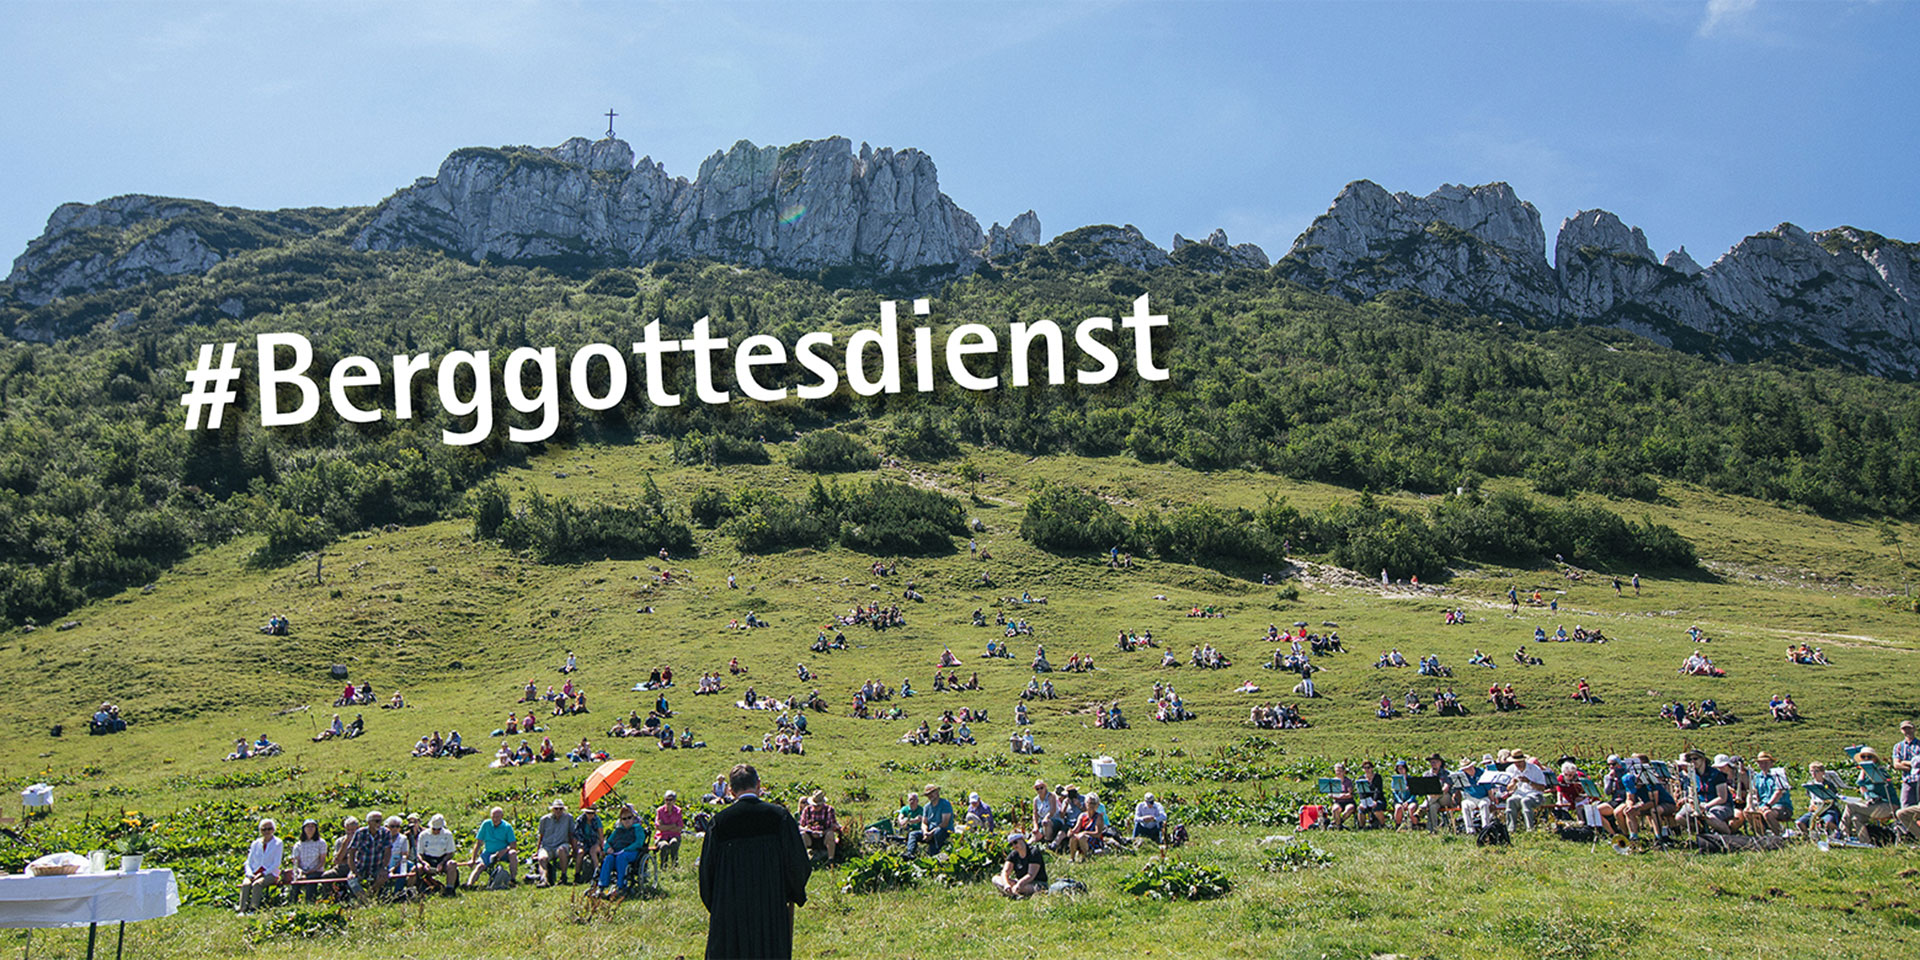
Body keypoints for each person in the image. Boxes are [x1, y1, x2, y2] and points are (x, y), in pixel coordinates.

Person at [698, 764, 811, 960]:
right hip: (770, 907)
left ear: (731, 791)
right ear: (759, 784)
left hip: (730, 911)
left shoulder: (720, 822)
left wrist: (717, 907)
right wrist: (793, 892)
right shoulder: (779, 817)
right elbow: (797, 864)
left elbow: (707, 872)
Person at [595, 804, 647, 895]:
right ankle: (602, 886)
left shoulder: (638, 828)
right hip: (617, 852)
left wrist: (626, 849)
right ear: (621, 820)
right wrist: (608, 848)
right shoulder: (618, 830)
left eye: (629, 818)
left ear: (633, 818)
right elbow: (608, 841)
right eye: (624, 819)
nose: (627, 821)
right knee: (609, 858)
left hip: (632, 852)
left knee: (621, 857)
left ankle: (621, 885)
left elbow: (639, 842)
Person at [238, 818, 283, 913]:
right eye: (264, 829)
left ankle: (253, 908)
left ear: (273, 830)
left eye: (269, 829)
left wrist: (263, 873)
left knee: (257, 884)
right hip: (254, 872)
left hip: (270, 873)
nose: (267, 831)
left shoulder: (278, 843)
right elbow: (248, 862)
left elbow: (276, 863)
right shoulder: (255, 843)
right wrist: (250, 873)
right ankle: (242, 909)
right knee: (246, 884)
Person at [467, 807, 518, 889]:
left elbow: (513, 845)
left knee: (513, 853)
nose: (495, 819)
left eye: (497, 817)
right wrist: (473, 859)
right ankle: (469, 885)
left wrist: (504, 850)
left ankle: (513, 879)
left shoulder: (507, 827)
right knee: (480, 866)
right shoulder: (486, 824)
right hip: (488, 852)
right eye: (493, 817)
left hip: (503, 853)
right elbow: (478, 843)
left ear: (502, 816)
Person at [992, 832, 1047, 898]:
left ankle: (1011, 893)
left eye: (1015, 842)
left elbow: (1031, 875)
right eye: (1011, 844)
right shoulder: (1013, 854)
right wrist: (1006, 884)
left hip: (1036, 882)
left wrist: (1019, 884)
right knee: (995, 879)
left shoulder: (1033, 852)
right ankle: (1013, 893)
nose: (1014, 846)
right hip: (1019, 881)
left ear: (1022, 839)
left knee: (1022, 888)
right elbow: (1005, 872)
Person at [534, 799, 575, 887]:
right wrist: (537, 851)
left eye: (560, 809)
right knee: (542, 858)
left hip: (562, 843)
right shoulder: (544, 819)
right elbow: (541, 836)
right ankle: (543, 880)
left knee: (562, 850)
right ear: (552, 809)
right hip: (547, 846)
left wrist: (574, 848)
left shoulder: (568, 818)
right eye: (556, 809)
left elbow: (571, 834)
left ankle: (563, 876)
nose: (558, 811)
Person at [414, 814, 459, 894]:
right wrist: (424, 863)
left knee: (452, 864)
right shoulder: (423, 835)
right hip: (427, 859)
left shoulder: (448, 835)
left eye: (438, 829)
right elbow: (419, 853)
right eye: (434, 829)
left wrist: (442, 863)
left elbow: (450, 852)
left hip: (442, 859)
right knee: (417, 868)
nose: (436, 831)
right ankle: (416, 888)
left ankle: (450, 889)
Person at [908, 784, 955, 857]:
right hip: (930, 831)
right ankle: (910, 853)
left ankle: (936, 853)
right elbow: (924, 822)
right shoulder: (927, 807)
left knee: (938, 832)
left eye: (932, 793)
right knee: (913, 834)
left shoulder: (945, 804)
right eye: (928, 794)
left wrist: (931, 833)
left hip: (944, 831)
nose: (930, 796)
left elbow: (944, 823)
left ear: (937, 793)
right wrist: (925, 832)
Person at [289, 819, 329, 901]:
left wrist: (312, 870)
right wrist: (301, 871)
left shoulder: (321, 843)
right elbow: (296, 862)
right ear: (304, 829)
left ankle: (310, 901)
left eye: (312, 826)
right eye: (308, 826)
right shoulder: (298, 845)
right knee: (296, 881)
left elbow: (322, 860)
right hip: (301, 871)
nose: (310, 829)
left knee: (311, 880)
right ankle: (292, 902)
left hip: (316, 870)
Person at [799, 789, 839, 862]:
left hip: (824, 838)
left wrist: (824, 832)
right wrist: (807, 829)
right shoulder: (807, 810)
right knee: (802, 835)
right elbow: (801, 826)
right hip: (810, 838)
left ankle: (831, 860)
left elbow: (834, 826)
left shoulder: (829, 810)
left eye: (818, 805)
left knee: (830, 834)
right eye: (815, 805)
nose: (816, 807)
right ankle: (802, 860)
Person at [656, 791, 686, 868]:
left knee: (674, 843)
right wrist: (672, 826)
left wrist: (665, 827)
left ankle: (674, 864)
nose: (668, 802)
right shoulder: (660, 811)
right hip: (662, 836)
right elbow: (658, 827)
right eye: (667, 799)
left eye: (671, 800)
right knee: (664, 846)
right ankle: (663, 866)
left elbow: (679, 828)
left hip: (674, 835)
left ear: (674, 801)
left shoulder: (678, 811)